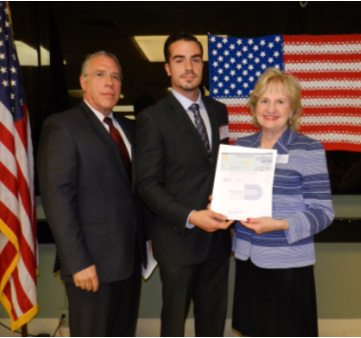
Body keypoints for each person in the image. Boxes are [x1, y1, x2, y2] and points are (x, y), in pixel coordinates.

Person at [37, 51, 147, 337]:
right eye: (100, 75)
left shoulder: (128, 128)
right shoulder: (63, 126)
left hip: (129, 262)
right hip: (91, 265)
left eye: (115, 77)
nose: (109, 82)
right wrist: (78, 263)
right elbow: (57, 199)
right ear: (83, 82)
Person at [135, 32, 233, 337]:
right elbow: (147, 185)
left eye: (195, 59)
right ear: (167, 67)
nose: (188, 67)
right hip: (177, 240)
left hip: (218, 240)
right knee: (174, 324)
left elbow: (221, 167)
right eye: (179, 60)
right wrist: (191, 216)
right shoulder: (152, 118)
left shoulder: (219, 110)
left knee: (213, 323)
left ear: (202, 64)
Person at [231, 68, 335, 337]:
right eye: (264, 100)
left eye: (280, 101)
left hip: (289, 264)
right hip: (249, 261)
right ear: (255, 108)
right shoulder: (241, 148)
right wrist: (223, 206)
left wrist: (279, 224)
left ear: (292, 110)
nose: (271, 108)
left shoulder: (309, 148)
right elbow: (235, 201)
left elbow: (323, 212)